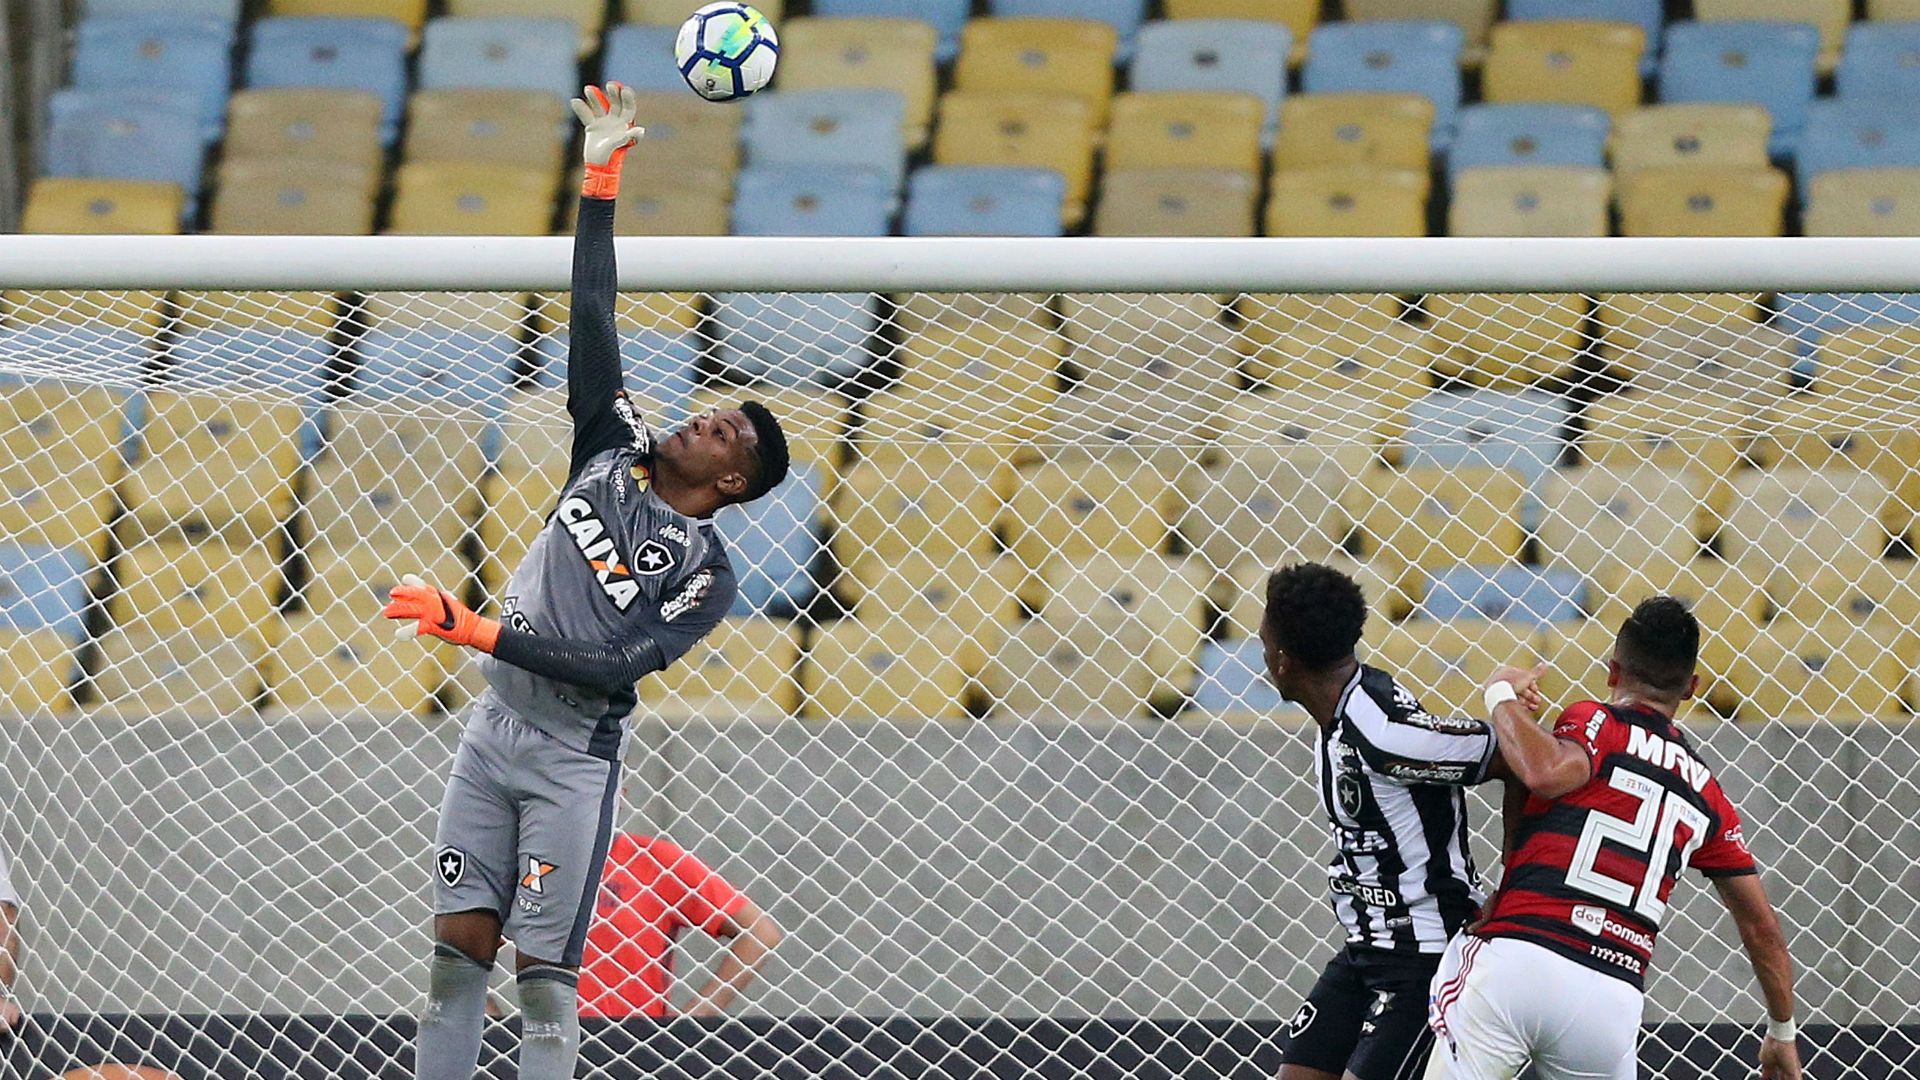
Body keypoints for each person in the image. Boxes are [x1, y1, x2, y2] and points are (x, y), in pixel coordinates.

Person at [386, 83, 790, 1080]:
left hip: (572, 757)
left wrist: (476, 631)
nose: (703, 420)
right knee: (452, 959)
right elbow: (592, 307)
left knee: (542, 978)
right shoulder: (606, 448)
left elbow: (616, 663)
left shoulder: (707, 576)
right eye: (713, 411)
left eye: (725, 432)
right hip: (490, 736)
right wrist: (600, 179)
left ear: (731, 481)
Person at [1426, 597, 1801, 1080]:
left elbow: (1541, 771)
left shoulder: (1592, 723)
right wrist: (1782, 1032)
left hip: (1521, 958)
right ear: (1691, 687)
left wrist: (1500, 694)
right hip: (1610, 997)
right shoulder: (1708, 793)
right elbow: (1761, 928)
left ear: (1612, 671)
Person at [1262, 563, 1532, 1080]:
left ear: (1281, 661)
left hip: (1422, 959)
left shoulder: (1384, 734)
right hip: (1365, 949)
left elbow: (1517, 759)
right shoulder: (1345, 710)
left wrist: (1511, 885)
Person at [580, 832, 782, 1019]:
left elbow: (760, 933)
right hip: (551, 1040)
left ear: (621, 794)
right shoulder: (550, 866)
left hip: (629, 1042)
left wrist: (689, 1021)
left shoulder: (652, 859)